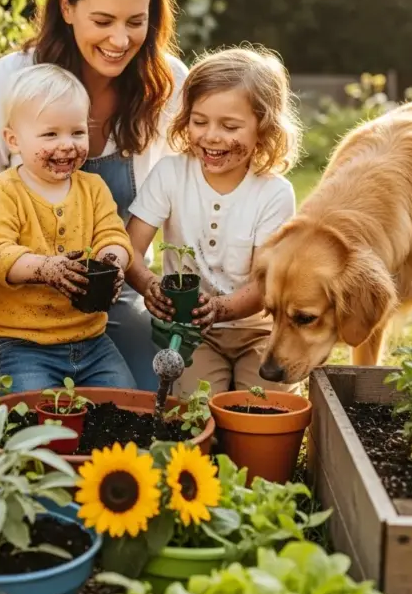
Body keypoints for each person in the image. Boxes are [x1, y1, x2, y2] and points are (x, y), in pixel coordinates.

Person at [0, 0, 188, 390]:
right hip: (25, 305)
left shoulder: (167, 82)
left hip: (109, 297)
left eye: (135, 21)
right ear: (66, 8)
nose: (120, 39)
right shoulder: (15, 76)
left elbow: (191, 183)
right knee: (39, 411)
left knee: (152, 396)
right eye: (103, 20)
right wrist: (35, 260)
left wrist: (124, 268)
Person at [126, 45, 302, 396]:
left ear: (262, 130)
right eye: (199, 121)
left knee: (265, 408)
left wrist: (220, 308)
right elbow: (129, 246)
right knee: (196, 411)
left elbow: (264, 284)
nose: (211, 136)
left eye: (230, 125)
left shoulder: (274, 193)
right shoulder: (171, 174)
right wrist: (148, 284)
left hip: (259, 330)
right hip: (191, 331)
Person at [0, 63, 136, 393]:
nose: (67, 145)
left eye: (77, 132)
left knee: (125, 402)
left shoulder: (93, 188)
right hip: (22, 344)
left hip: (91, 340)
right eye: (50, 134)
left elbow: (112, 233)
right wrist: (46, 269)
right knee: (33, 418)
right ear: (13, 140)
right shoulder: (3, 191)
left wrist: (112, 259)